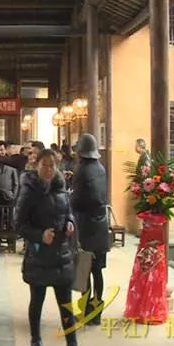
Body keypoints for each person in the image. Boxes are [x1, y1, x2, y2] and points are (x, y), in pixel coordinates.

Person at [15, 150, 89, 346]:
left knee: (66, 304)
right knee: (37, 301)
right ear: (36, 165)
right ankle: (35, 339)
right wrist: (40, 235)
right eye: (44, 165)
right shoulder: (29, 190)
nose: (48, 169)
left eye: (52, 165)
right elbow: (18, 224)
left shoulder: (60, 186)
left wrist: (70, 222)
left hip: (61, 254)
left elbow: (68, 212)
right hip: (39, 256)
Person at [70, 133, 109, 326]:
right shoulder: (101, 168)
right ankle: (97, 312)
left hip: (85, 226)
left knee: (84, 270)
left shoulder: (81, 170)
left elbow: (77, 200)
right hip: (101, 225)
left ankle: (85, 311)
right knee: (97, 270)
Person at [0, 140, 19, 206]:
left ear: (5, 150)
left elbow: (16, 182)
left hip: (8, 195)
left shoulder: (12, 163)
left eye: (2, 150)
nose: (1, 152)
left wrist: (14, 195)